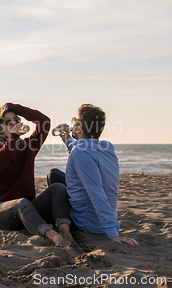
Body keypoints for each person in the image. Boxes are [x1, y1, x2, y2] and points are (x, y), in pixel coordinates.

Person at [0, 102, 75, 246]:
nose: (14, 124)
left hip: (28, 214)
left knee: (58, 188)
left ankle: (65, 231)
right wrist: (14, 137)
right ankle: (53, 236)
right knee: (22, 202)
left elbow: (44, 122)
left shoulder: (28, 146)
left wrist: (16, 108)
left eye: (16, 120)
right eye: (8, 122)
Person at [48, 104, 139, 246]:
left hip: (87, 224)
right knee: (54, 174)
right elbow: (81, 148)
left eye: (75, 121)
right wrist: (67, 138)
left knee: (55, 185)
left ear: (78, 128)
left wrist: (112, 234)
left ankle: (64, 226)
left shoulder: (79, 153)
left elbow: (97, 193)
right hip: (99, 221)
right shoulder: (107, 146)